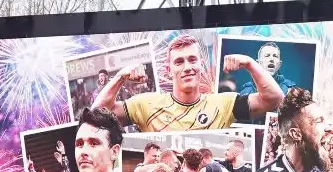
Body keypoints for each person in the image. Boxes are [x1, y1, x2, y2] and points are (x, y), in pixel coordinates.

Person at [94, 33, 283, 131]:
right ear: (169, 71)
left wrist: (250, 63)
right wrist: (120, 77)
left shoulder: (224, 104)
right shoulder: (145, 104)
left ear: (201, 64)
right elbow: (96, 115)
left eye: (192, 60)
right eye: (179, 61)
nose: (187, 67)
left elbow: (274, 99)